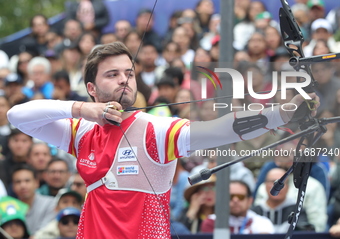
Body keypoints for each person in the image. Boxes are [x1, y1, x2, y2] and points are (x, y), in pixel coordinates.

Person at [7, 42, 319, 238]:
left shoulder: (155, 129)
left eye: (128, 73)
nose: (123, 80)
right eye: (111, 74)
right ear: (91, 88)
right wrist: (80, 109)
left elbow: (220, 130)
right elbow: (17, 116)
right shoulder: (82, 131)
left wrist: (284, 114)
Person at [200, 180, 275, 234]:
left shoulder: (262, 223)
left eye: (240, 197)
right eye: (230, 197)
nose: (235, 200)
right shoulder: (211, 222)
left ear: (250, 201)